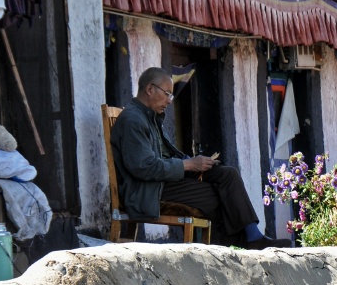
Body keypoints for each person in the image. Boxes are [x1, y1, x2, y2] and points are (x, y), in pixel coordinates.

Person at [111, 67, 277, 248]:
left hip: (161, 182)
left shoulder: (150, 117)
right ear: (150, 89)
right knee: (217, 198)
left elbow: (165, 156)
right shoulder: (133, 120)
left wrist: (196, 162)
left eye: (171, 96)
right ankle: (233, 246)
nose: (169, 101)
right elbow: (145, 168)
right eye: (167, 94)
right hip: (148, 190)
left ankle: (253, 236)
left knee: (227, 175)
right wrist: (188, 165)